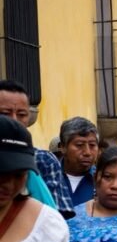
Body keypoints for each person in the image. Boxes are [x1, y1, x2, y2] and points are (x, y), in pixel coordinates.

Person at [0, 80, 74, 216]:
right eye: (5, 113)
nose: (14, 120)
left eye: (22, 114)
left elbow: (56, 221)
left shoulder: (43, 160)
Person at [59, 117, 99, 207]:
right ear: (63, 147)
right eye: (79, 145)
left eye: (92, 145)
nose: (87, 153)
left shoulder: (101, 180)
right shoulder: (48, 177)